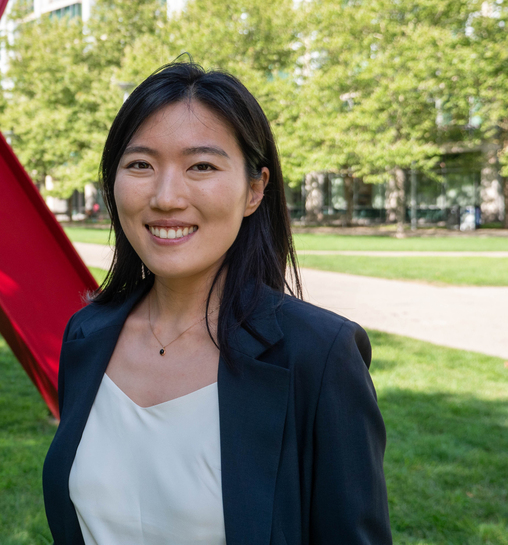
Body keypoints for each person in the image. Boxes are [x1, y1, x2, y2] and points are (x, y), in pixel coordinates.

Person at [42, 62, 391, 544]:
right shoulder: (87, 334)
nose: (166, 198)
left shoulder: (319, 355)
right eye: (140, 164)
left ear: (254, 189)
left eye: (201, 166)